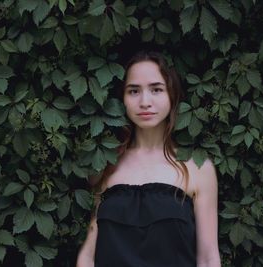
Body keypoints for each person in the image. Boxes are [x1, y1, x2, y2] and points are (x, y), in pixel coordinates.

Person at [76, 51, 220, 267]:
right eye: (134, 91)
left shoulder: (197, 168)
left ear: (172, 94)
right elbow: (89, 254)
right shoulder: (107, 164)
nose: (145, 101)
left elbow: (208, 258)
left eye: (156, 89)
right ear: (122, 98)